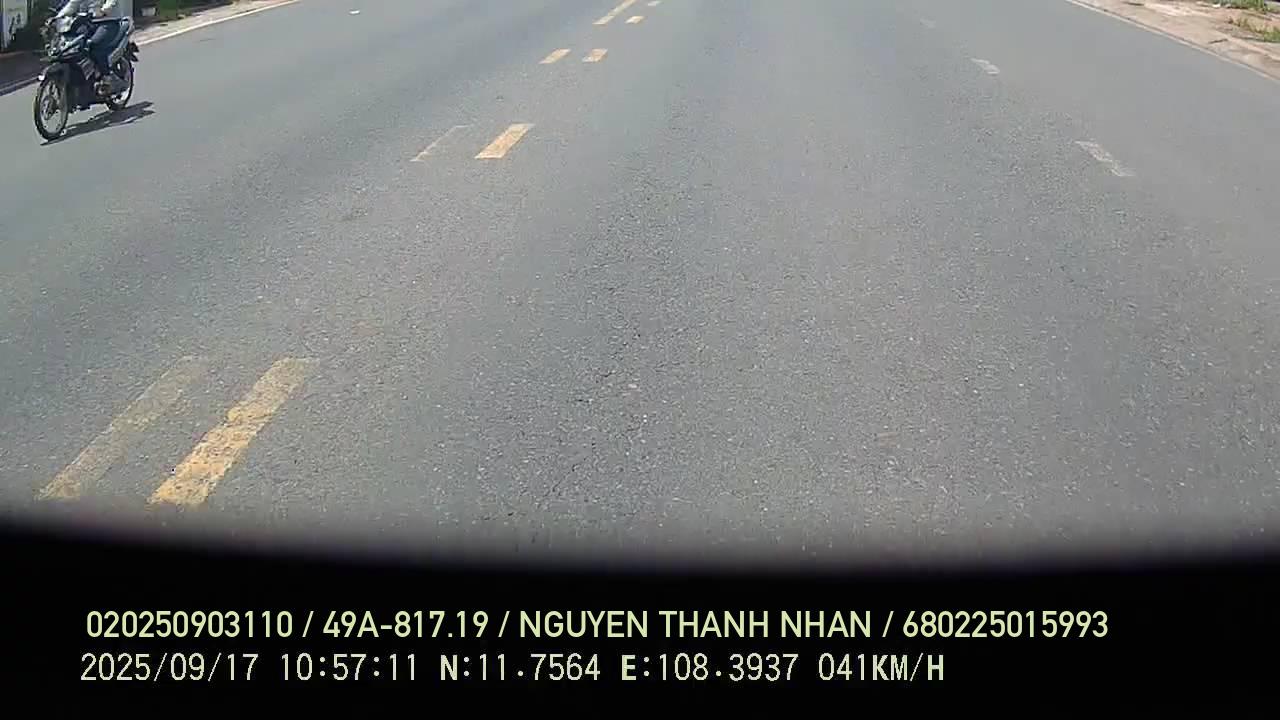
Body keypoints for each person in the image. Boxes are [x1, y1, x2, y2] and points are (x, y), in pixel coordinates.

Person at [55, 0, 125, 93]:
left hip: (108, 21)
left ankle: (107, 76)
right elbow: (73, 3)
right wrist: (58, 16)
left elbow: (111, 2)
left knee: (94, 45)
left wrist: (104, 10)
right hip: (88, 22)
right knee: (73, 44)